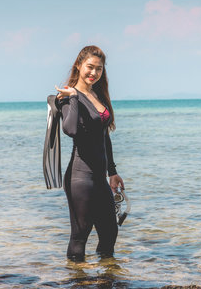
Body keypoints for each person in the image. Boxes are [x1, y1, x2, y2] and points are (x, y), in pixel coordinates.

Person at [55, 45, 125, 262]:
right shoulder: (67, 97)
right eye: (90, 67)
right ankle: (77, 282)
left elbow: (105, 137)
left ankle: (107, 280)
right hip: (80, 178)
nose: (94, 73)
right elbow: (71, 130)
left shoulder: (97, 95)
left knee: (110, 233)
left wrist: (112, 172)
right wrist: (74, 96)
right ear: (78, 65)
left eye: (99, 69)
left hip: (99, 178)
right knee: (80, 236)